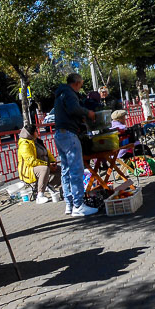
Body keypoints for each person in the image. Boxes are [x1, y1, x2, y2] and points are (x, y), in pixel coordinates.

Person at [54, 73, 98, 217]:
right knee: (76, 170)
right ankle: (78, 205)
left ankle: (70, 204)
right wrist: (88, 113)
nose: (81, 87)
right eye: (81, 84)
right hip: (68, 134)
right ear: (77, 83)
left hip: (59, 134)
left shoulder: (60, 93)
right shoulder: (69, 93)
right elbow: (74, 109)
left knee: (66, 170)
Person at [18, 123, 60, 204]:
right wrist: (47, 165)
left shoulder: (36, 141)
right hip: (28, 170)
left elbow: (47, 152)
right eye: (36, 131)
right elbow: (31, 161)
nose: (38, 132)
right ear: (32, 133)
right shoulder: (24, 144)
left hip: (43, 164)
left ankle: (49, 186)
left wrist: (52, 162)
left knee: (60, 170)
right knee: (44, 169)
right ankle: (40, 195)